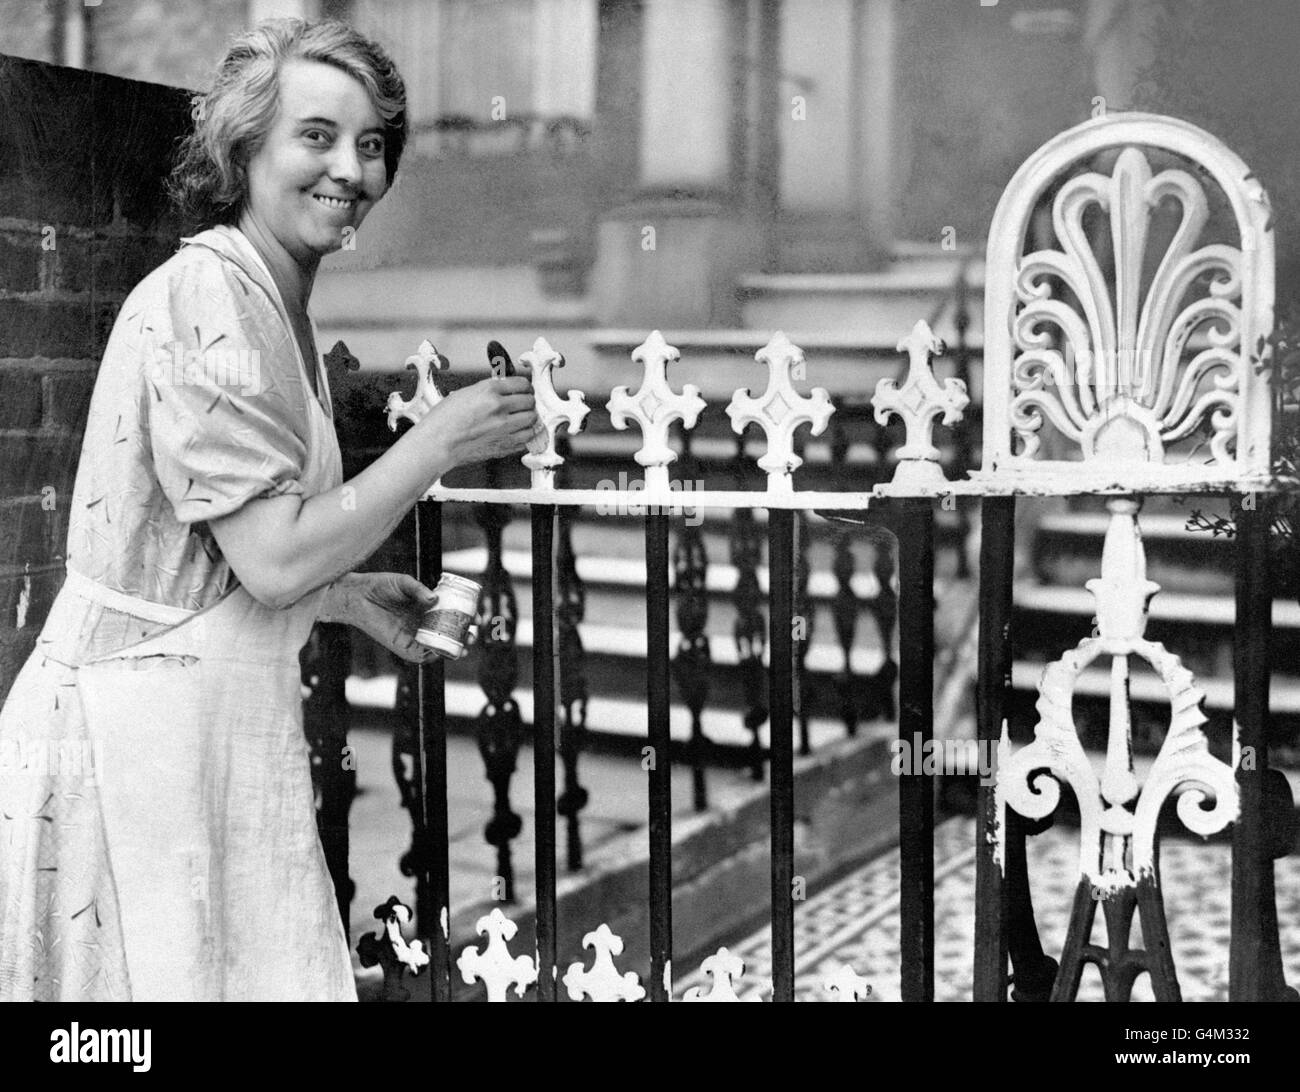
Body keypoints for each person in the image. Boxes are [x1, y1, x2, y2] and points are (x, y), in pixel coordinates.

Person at [0, 18, 537, 1001]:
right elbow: (273, 559)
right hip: (125, 753)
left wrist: (347, 595)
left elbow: (223, 552)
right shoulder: (206, 299)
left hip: (203, 728)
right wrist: (439, 445)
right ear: (246, 152)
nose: (351, 168)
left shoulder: (267, 300)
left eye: (372, 144)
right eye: (318, 136)